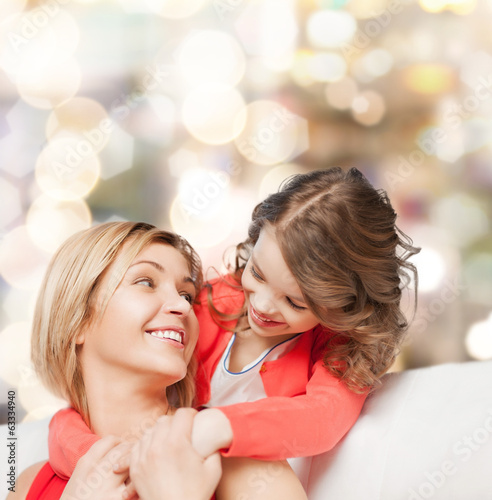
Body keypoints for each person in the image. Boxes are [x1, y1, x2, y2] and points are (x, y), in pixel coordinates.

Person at [48, 167, 420, 488]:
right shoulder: (209, 305)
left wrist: (214, 428)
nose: (260, 305)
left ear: (344, 306)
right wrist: (104, 465)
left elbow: (323, 418)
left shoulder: (338, 351)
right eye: (256, 273)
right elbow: (79, 411)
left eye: (295, 302)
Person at [8, 222, 307, 500]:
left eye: (187, 295)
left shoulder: (243, 464)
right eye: (146, 282)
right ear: (78, 321)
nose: (182, 307)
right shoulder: (28, 485)